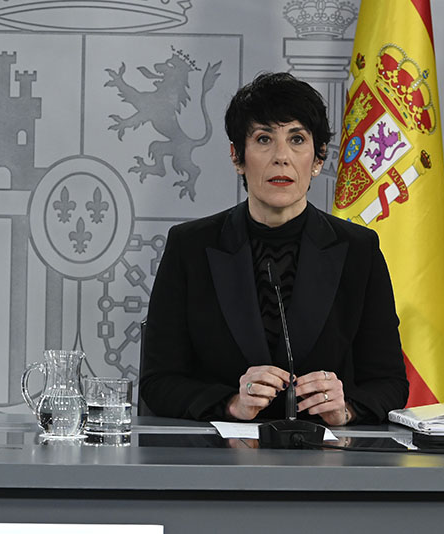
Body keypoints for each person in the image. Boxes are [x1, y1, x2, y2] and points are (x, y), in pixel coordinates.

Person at [139, 72, 408, 425]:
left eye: (297, 139)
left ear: (318, 159)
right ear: (237, 156)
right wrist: (231, 403)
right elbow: (158, 381)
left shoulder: (359, 250)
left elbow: (390, 383)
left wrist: (346, 409)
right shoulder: (190, 247)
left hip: (325, 453)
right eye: (264, 139)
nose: (281, 157)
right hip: (218, 452)